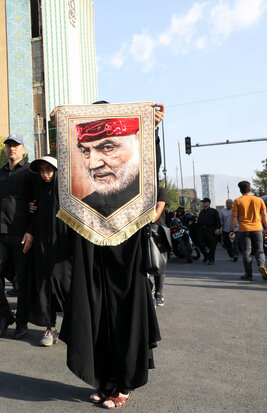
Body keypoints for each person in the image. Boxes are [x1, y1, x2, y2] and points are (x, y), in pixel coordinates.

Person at [58, 103, 164, 409]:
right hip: (91, 239)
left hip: (127, 242)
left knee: (125, 312)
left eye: (107, 145)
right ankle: (105, 380)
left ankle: (124, 382)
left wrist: (152, 129)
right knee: (97, 311)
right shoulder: (86, 196)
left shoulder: (136, 189)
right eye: (87, 150)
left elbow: (149, 165)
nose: (95, 161)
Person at [0, 133, 35, 339]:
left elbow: (37, 204)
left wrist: (31, 231)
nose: (11, 149)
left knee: (21, 282)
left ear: (23, 149)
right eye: (8, 145)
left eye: (15, 145)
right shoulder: (0, 174)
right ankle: (5, 315)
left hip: (21, 235)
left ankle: (21, 322)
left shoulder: (31, 172)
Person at [27, 155, 72, 347]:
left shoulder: (66, 190)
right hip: (43, 246)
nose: (45, 174)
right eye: (42, 171)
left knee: (67, 286)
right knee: (45, 288)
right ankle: (50, 327)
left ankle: (74, 328)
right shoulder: (40, 190)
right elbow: (35, 216)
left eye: (49, 170)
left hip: (63, 248)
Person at [76, 117, 141, 216]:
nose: (93, 165)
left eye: (107, 148)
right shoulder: (83, 206)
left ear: (137, 144)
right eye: (86, 151)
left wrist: (152, 129)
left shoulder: (142, 198)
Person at [229, 181, 267, 281]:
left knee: (246, 252)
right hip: (257, 228)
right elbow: (264, 215)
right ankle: (261, 265)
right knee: (260, 250)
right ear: (250, 190)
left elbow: (234, 216)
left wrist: (231, 230)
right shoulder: (259, 200)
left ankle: (248, 274)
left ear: (240, 191)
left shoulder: (237, 201)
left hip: (244, 229)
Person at [197, 198, 221, 265]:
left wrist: (218, 228)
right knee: (200, 244)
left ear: (209, 203)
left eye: (205, 202)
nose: (203, 203)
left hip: (211, 230)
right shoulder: (201, 212)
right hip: (202, 230)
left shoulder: (214, 211)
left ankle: (211, 260)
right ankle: (206, 255)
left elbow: (218, 221)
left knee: (212, 246)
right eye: (203, 202)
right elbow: (199, 221)